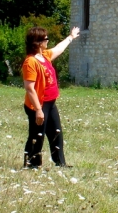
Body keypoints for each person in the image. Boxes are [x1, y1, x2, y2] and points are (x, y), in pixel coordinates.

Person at [22, 26, 79, 169]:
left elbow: (59, 49)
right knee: (37, 135)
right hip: (39, 104)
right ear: (38, 42)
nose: (48, 40)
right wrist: (38, 110)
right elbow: (30, 88)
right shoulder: (30, 62)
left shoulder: (44, 56)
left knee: (56, 133)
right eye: (45, 38)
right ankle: (32, 164)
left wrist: (71, 37)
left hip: (50, 103)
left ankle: (60, 163)